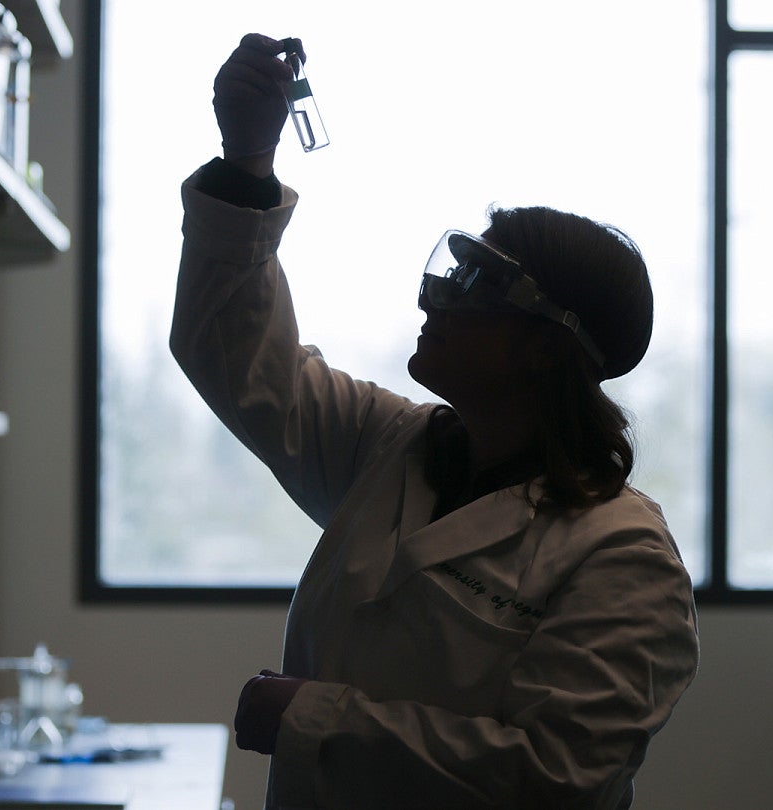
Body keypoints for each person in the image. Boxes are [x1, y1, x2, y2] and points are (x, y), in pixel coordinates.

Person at [170, 32, 700, 810]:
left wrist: (313, 716)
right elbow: (239, 357)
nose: (433, 299)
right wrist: (248, 159)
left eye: (474, 283)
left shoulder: (621, 555)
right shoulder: (390, 446)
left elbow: (558, 778)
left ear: (544, 349)